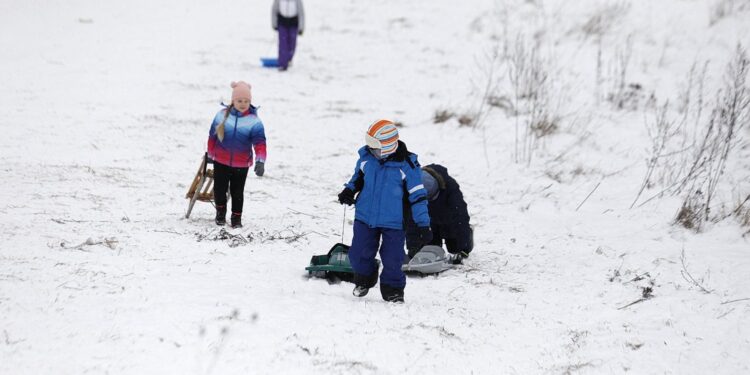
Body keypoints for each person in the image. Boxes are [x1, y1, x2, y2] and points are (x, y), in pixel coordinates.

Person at [337, 119, 432, 303]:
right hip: (365, 217)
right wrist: (349, 190)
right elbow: (357, 178)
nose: (371, 150)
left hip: (394, 223)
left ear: (388, 147)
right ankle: (365, 278)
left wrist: (423, 224)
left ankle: (393, 289)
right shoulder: (366, 158)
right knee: (357, 254)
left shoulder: (407, 166)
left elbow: (418, 196)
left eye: (375, 147)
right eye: (370, 145)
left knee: (393, 259)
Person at [207, 81, 267, 228]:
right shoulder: (221, 116)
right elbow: (212, 136)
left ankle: (236, 218)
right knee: (219, 189)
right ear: (233, 101)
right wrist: (210, 153)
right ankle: (220, 213)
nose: (243, 104)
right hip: (221, 159)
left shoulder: (254, 121)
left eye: (246, 101)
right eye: (240, 100)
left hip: (241, 162)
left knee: (237, 191)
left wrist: (260, 161)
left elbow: (260, 143)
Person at [406, 164, 473, 263]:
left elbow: (461, 218)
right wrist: (412, 247)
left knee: (454, 248)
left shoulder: (452, 189)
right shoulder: (413, 190)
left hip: (448, 220)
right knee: (431, 250)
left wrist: (464, 247)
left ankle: (469, 235)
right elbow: (410, 220)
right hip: (429, 221)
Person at [271, 0, 305, 71]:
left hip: (293, 23)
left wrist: (301, 27)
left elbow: (301, 13)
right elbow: (274, 11)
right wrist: (274, 23)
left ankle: (289, 59)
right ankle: (283, 64)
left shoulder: (297, 1)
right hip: (282, 22)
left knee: (292, 43)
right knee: (283, 43)